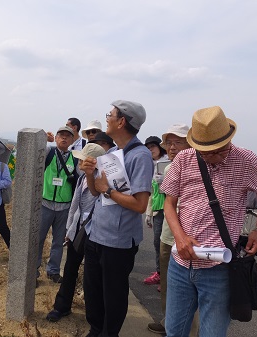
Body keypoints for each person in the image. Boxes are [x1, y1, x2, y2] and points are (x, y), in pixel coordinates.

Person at [161, 106, 257, 337]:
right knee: (173, 331)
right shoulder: (184, 159)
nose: (212, 157)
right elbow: (169, 203)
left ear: (228, 139)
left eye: (219, 151)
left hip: (220, 268)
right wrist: (180, 237)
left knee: (212, 334)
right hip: (180, 264)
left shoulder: (247, 160)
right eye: (205, 152)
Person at [82, 100, 154, 337]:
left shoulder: (140, 156)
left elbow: (140, 204)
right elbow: (95, 192)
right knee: (92, 291)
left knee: (113, 295)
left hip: (118, 241)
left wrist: (108, 190)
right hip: (97, 234)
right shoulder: (111, 152)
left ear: (122, 121)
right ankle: (95, 330)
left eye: (110, 115)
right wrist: (90, 175)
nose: (107, 118)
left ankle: (108, 333)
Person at [146, 124, 199, 336]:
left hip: (191, 238)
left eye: (178, 141)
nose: (172, 147)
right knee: (169, 285)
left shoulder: (198, 165)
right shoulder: (167, 169)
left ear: (190, 143)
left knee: (192, 289)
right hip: (169, 235)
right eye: (169, 143)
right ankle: (168, 322)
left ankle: (190, 331)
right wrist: (150, 211)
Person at [46, 143, 106, 322]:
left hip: (94, 232)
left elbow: (95, 199)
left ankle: (93, 315)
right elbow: (75, 206)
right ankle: (62, 306)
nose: (79, 162)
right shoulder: (80, 178)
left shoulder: (102, 180)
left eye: (82, 159)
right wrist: (69, 229)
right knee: (70, 268)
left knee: (91, 275)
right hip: (77, 231)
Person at [38, 126, 78, 284]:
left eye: (68, 136)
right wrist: (43, 140)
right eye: (61, 135)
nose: (64, 138)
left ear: (72, 140)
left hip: (64, 207)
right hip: (45, 203)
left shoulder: (75, 158)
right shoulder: (49, 152)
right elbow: (33, 152)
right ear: (55, 138)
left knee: (58, 241)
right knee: (38, 239)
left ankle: (53, 271)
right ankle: (33, 271)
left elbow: (80, 178)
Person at [143, 136, 168, 286]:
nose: (150, 149)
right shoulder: (149, 166)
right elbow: (151, 192)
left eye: (153, 146)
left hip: (171, 209)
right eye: (147, 147)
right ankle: (160, 273)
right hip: (158, 209)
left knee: (168, 245)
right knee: (157, 242)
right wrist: (148, 212)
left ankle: (166, 278)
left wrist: (164, 181)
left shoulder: (168, 162)